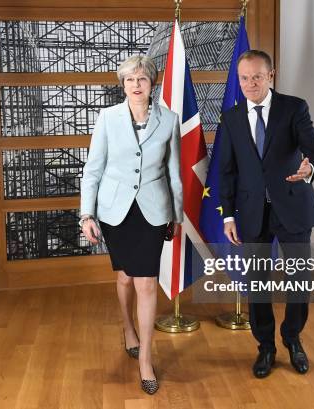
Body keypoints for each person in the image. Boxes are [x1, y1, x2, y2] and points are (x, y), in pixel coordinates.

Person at [79, 55, 183, 394]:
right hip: (115, 212)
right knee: (124, 276)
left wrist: (177, 215)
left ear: (152, 83)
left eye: (141, 79)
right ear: (122, 85)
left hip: (153, 211)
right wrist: (86, 214)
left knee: (146, 283)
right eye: (129, 80)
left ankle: (146, 360)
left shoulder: (169, 120)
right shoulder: (107, 118)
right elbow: (93, 169)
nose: (136, 85)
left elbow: (175, 173)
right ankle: (127, 327)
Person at [218, 50, 314, 378]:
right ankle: (265, 345)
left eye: (257, 77)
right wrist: (228, 216)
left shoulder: (294, 108)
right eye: (244, 78)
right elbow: (226, 170)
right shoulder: (232, 118)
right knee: (257, 284)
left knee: (298, 280)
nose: (250, 84)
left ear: (271, 75)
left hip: (293, 207)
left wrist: (308, 167)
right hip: (251, 214)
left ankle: (292, 338)